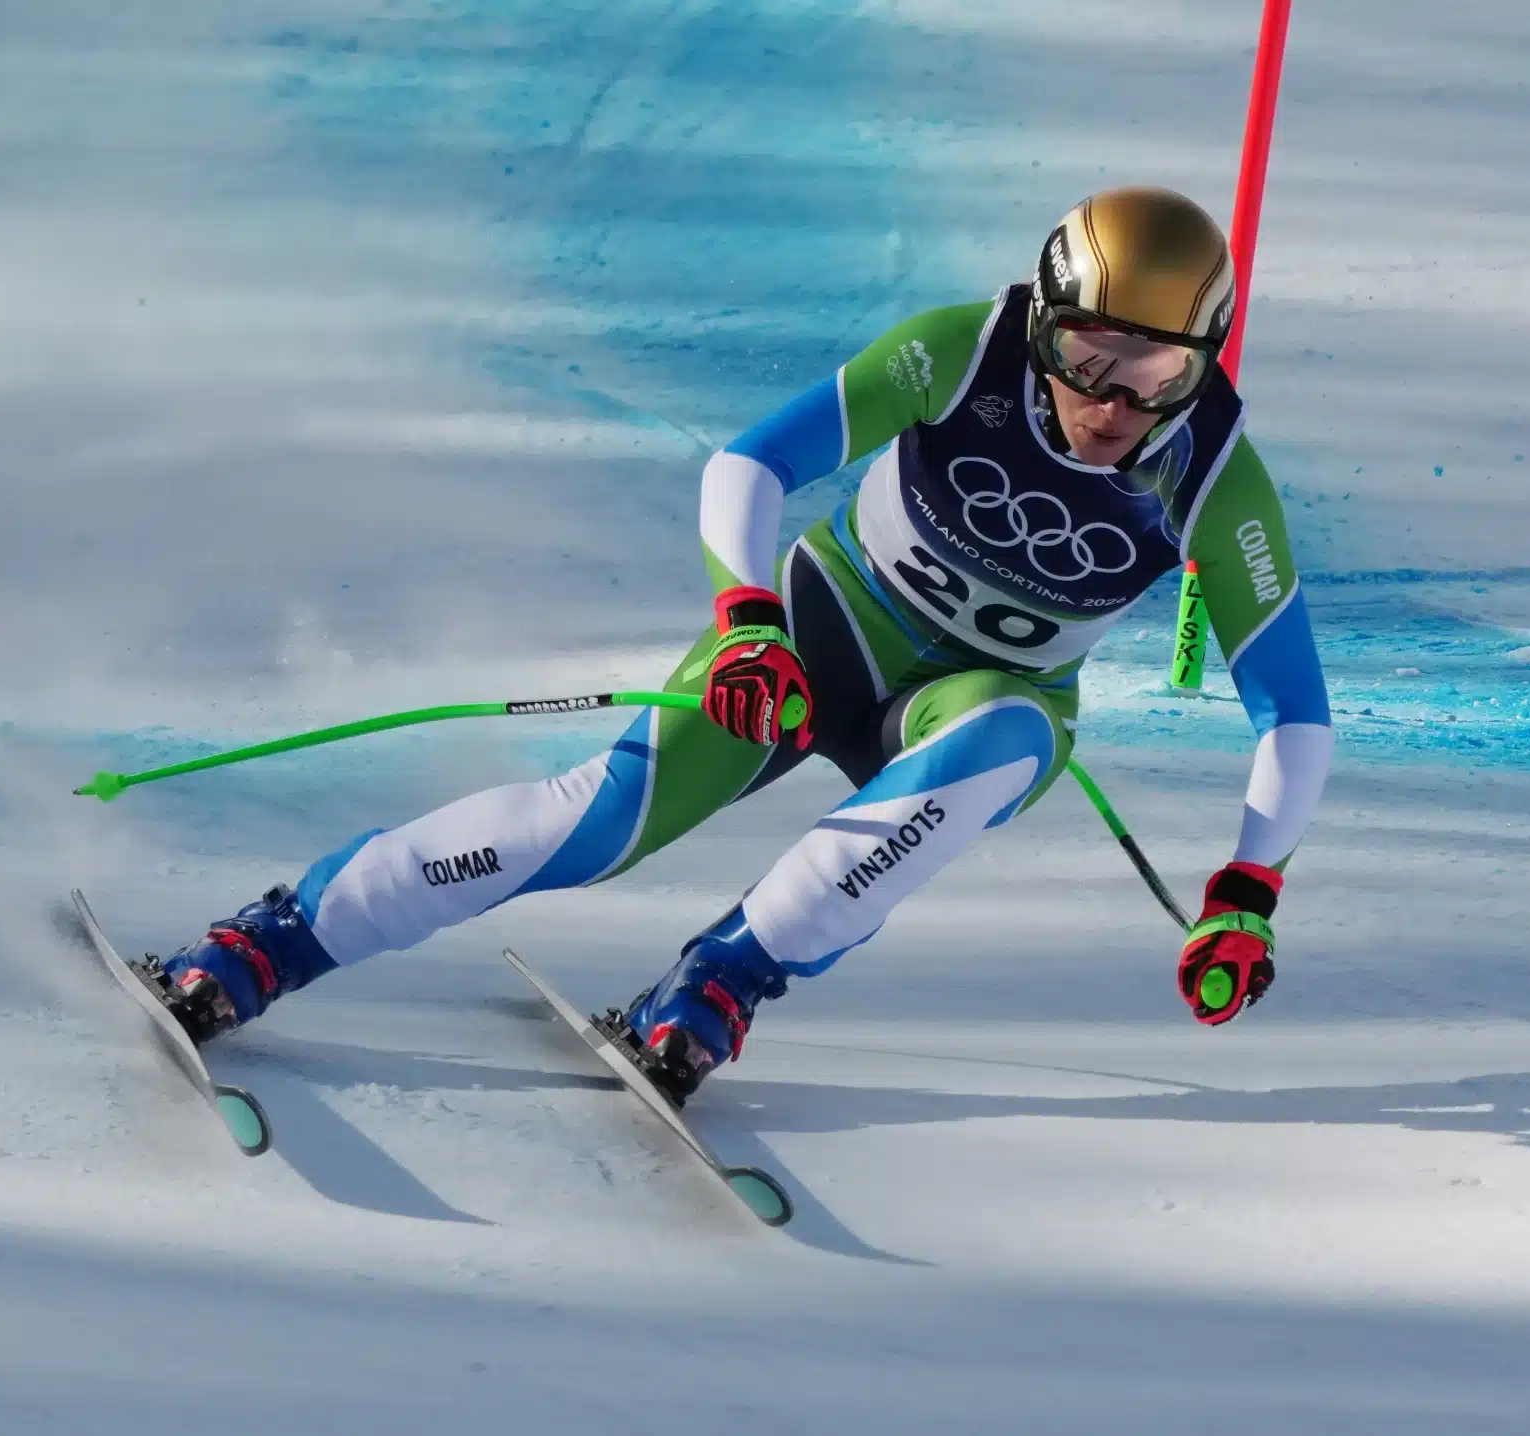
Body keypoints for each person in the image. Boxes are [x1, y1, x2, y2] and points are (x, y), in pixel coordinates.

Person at [150, 186, 1333, 1103]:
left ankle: (721, 978)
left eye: (1155, 372)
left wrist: (1246, 886)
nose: (1111, 404)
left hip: (981, 694)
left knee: (997, 743)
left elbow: (1291, 710)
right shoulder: (958, 351)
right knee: (597, 820)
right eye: (1085, 356)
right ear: (1040, 324)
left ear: (1202, 363)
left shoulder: (1215, 482)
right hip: (822, 631)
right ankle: (278, 937)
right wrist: (746, 619)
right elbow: (751, 462)